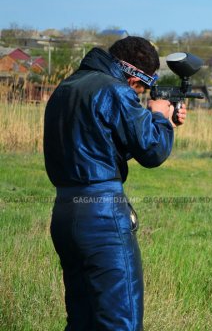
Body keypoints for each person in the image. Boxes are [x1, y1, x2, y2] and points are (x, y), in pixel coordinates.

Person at [44, 36, 185, 330]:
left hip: (65, 213)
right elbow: (153, 151)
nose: (141, 94)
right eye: (143, 88)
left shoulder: (66, 88)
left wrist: (162, 122)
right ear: (134, 77)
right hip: (102, 215)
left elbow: (100, 149)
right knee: (121, 321)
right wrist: (158, 117)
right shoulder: (115, 90)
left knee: (82, 321)